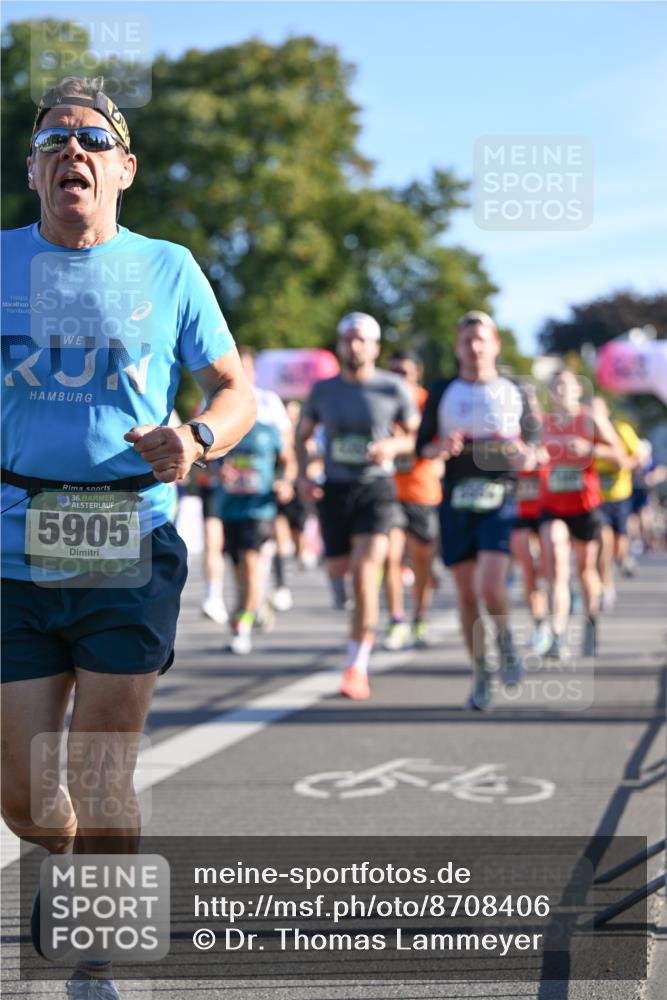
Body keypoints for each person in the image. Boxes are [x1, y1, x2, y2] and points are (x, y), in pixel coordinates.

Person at [0, 77, 255, 999]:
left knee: (102, 764)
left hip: (126, 533)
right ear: (33, 169)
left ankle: (97, 956)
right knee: (27, 804)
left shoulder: (168, 268)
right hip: (10, 547)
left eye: (94, 139)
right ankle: (59, 863)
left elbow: (237, 389)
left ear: (125, 169)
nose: (75, 151)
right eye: (56, 139)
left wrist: (195, 438)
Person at [416, 311, 537, 710]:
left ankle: (506, 643)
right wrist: (439, 449)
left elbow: (535, 451)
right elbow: (422, 447)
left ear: (495, 343)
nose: (475, 346)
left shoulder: (515, 389)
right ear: (458, 346)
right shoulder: (443, 390)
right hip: (455, 500)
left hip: (499, 497)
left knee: (490, 588)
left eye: (481, 339)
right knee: (467, 596)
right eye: (467, 340)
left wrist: (526, 455)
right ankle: (481, 673)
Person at [297, 312, 419, 700]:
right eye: (348, 338)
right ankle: (343, 590)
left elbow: (414, 438)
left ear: (375, 347)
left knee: (367, 574)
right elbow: (301, 437)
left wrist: (392, 446)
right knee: (340, 571)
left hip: (376, 490)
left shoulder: (393, 388)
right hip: (335, 489)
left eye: (362, 339)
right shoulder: (323, 390)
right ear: (340, 344)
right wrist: (302, 476)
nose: (355, 345)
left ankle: (356, 666)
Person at [538, 371, 623, 659]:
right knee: (557, 567)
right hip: (552, 504)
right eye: (556, 385)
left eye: (566, 384)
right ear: (550, 391)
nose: (561, 390)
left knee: (585, 570)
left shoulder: (590, 419)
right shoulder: (543, 424)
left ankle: (590, 621)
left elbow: (620, 455)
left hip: (585, 505)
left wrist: (591, 449)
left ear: (577, 389)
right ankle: (558, 634)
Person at [219, 417, 294, 654]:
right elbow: (207, 462)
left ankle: (243, 626)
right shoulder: (224, 428)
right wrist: (220, 471)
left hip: (260, 508)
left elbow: (288, 460)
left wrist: (285, 482)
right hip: (230, 508)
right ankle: (251, 605)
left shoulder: (268, 430)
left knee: (250, 565)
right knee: (239, 570)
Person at [384, 350, 442, 649]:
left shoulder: (426, 401)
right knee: (389, 557)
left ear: (417, 374)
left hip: (422, 490)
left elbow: (432, 442)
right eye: (393, 373)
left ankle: (420, 617)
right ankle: (396, 620)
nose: (398, 379)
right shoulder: (380, 400)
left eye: (404, 373)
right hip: (388, 490)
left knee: (423, 562)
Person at [238, 346, 296, 613]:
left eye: (246, 368)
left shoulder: (268, 401)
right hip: (229, 495)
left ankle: (279, 584)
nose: (242, 373)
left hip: (265, 486)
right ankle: (253, 602)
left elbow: (286, 448)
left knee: (271, 533)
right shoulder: (211, 401)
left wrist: (284, 479)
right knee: (240, 559)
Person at [593, 400, 643, 606]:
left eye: (598, 409)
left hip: (620, 496)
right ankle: (607, 585)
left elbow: (639, 457)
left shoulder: (621, 429)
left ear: (606, 410)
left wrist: (624, 464)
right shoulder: (585, 434)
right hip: (596, 499)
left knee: (619, 547)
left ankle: (623, 558)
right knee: (603, 542)